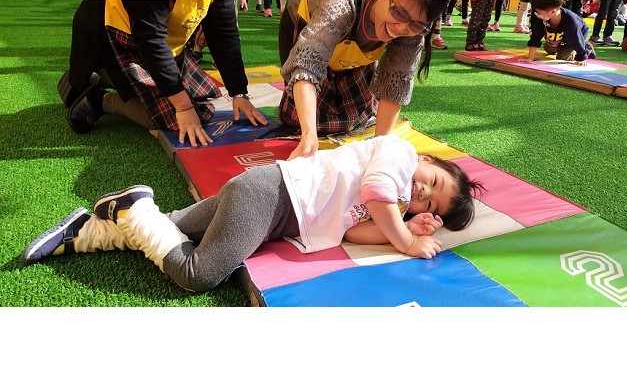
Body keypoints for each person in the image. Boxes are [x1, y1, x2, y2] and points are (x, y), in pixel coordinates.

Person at [21, 135, 484, 293]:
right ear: (429, 160)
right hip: (269, 198)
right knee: (198, 274)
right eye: (433, 181)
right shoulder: (399, 154)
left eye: (429, 204)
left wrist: (402, 226)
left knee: (174, 226)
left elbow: (355, 233)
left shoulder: (392, 206)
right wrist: (407, 239)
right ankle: (134, 206)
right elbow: (379, 191)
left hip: (265, 199)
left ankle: (84, 231)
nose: (422, 192)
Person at [57, 0, 268, 147]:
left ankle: (108, 79)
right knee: (168, 118)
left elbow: (224, 36)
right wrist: (183, 107)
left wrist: (238, 93)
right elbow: (151, 41)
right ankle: (99, 97)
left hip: (164, 44)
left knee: (202, 97)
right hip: (116, 37)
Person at [277, 0, 449, 160]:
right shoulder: (338, 3)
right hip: (308, 34)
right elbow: (306, 65)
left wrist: (379, 146)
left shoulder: (414, 29)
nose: (402, 28)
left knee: (358, 117)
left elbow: (395, 83)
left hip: (353, 51)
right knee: (305, 119)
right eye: (399, 14)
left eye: (417, 25)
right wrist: (309, 135)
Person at [518, 0, 596, 66]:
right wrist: (530, 58)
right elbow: (536, 36)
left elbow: (576, 40)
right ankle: (559, 46)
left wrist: (581, 58)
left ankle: (587, 48)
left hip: (576, 36)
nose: (538, 15)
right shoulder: (543, 17)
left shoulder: (570, 21)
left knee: (562, 57)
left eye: (539, 13)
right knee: (548, 49)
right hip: (558, 36)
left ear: (553, 12)